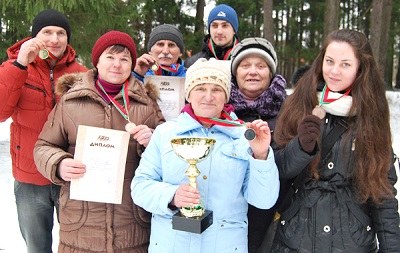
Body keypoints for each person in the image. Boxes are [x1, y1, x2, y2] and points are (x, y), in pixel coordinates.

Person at [33, 30, 165, 252]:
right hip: (80, 224)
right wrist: (59, 164)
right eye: (110, 57)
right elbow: (43, 147)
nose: (117, 64)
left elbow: (168, 155)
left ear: (132, 64)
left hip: (132, 224)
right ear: (97, 61)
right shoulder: (71, 101)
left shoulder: (146, 104)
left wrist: (152, 142)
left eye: (124, 59)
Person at [131, 58, 280, 253]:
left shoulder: (244, 137)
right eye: (200, 88)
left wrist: (261, 156)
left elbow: (264, 201)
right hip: (172, 245)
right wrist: (172, 196)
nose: (208, 97)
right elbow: (140, 187)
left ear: (226, 96)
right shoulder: (165, 134)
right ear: (189, 94)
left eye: (217, 89)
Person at [271, 29, 400, 252]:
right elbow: (277, 171)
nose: (334, 71)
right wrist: (301, 147)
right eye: (329, 61)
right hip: (295, 240)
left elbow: (382, 192)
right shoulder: (298, 102)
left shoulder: (371, 114)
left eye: (345, 64)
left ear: (361, 68)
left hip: (351, 242)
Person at [0, 9, 87, 253]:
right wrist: (19, 65)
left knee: (74, 245)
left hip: (70, 176)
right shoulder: (14, 67)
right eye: (47, 32)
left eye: (61, 33)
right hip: (30, 177)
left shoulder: (81, 74)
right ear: (34, 37)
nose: (55, 39)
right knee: (37, 247)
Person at [228, 37, 287, 253]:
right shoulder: (218, 108)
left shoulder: (289, 111)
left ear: (270, 73)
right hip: (227, 214)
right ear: (235, 73)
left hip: (272, 215)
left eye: (260, 66)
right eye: (245, 65)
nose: (252, 71)